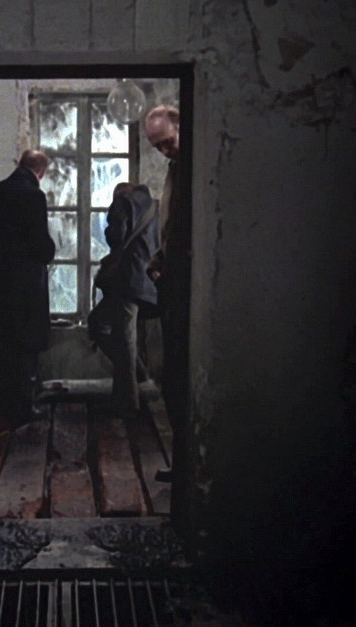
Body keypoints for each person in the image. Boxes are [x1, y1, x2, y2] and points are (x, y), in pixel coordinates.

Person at [0, 149, 56, 423]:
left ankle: (0, 404)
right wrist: (50, 251)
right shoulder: (34, 196)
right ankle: (23, 407)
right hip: (26, 284)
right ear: (41, 172)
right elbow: (40, 244)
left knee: (2, 345)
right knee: (25, 347)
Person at [143, 105, 190, 481]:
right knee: (171, 374)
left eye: (167, 142)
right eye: (156, 146)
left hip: (187, 282)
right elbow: (172, 226)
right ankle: (184, 460)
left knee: (179, 374)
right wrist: (159, 260)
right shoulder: (177, 168)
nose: (163, 150)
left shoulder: (195, 168)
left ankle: (188, 461)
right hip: (173, 280)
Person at [92, 182, 160, 420]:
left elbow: (115, 235)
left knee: (125, 340)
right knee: (99, 324)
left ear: (119, 194)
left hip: (126, 279)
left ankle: (127, 404)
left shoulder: (123, 201)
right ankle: (138, 374)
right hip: (145, 281)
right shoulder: (156, 207)